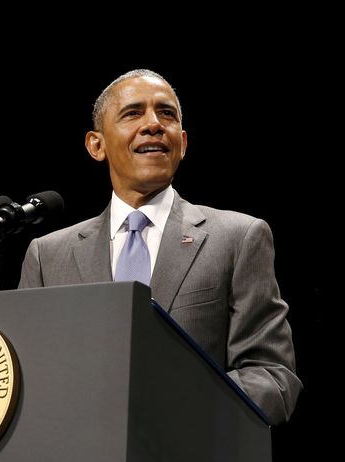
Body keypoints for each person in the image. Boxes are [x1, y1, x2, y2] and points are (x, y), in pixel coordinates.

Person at [18, 69, 301, 425]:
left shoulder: (238, 236)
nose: (153, 124)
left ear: (182, 143)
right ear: (97, 145)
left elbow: (272, 379)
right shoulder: (48, 256)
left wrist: (174, 404)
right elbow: (27, 384)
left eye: (166, 114)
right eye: (133, 113)